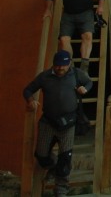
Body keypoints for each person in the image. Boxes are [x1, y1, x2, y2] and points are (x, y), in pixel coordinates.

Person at [22, 50, 92, 197]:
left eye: (64, 66)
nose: (60, 68)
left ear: (69, 64)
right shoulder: (45, 76)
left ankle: (61, 190)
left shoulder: (76, 74)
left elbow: (89, 82)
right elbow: (28, 90)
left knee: (65, 158)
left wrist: (84, 89)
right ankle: (53, 167)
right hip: (48, 121)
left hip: (68, 123)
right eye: (58, 65)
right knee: (41, 155)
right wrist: (31, 100)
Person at [44, 0, 105, 73]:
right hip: (68, 14)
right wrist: (48, 10)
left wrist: (100, 6)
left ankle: (84, 66)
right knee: (63, 39)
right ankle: (69, 65)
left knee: (87, 36)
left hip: (85, 12)